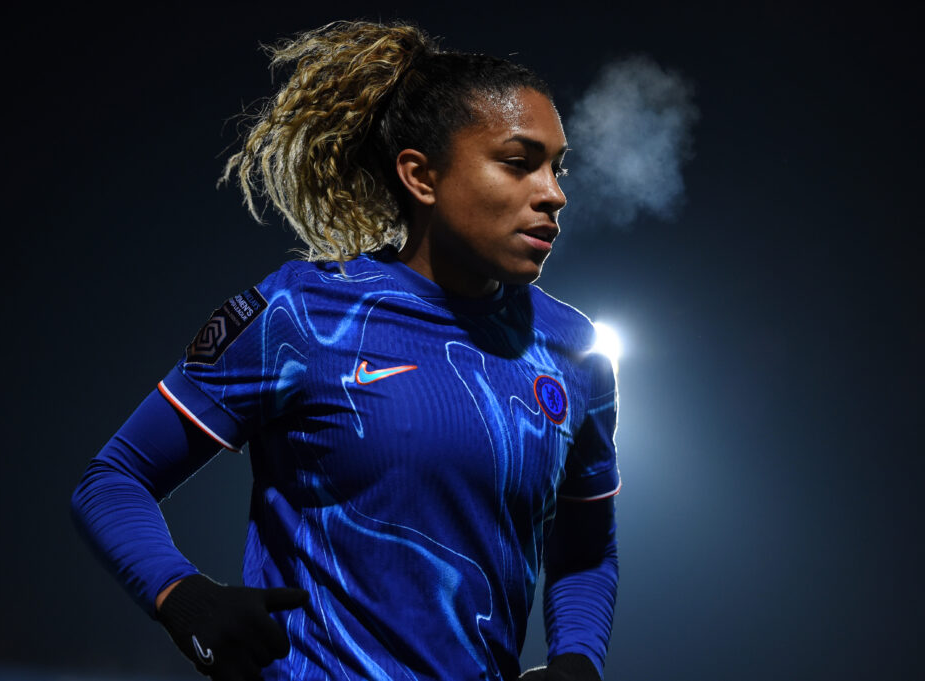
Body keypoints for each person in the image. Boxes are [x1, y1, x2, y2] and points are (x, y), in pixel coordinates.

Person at [71, 19, 620, 681]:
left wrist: (578, 658)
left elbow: (586, 548)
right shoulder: (301, 315)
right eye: (519, 161)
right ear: (421, 176)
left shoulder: (573, 349)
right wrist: (179, 592)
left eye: (558, 168)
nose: (554, 194)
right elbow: (112, 480)